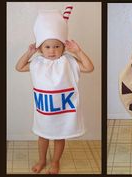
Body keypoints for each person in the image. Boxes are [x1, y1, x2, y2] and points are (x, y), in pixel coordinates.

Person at [15, 7, 94, 174]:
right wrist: (29, 53)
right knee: (43, 136)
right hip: (44, 111)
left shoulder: (68, 62)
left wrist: (78, 51)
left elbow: (89, 67)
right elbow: (19, 67)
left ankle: (55, 161)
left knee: (59, 137)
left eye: (57, 46)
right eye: (48, 46)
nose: (52, 50)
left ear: (63, 47)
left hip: (63, 112)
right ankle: (42, 159)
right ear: (40, 48)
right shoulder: (37, 63)